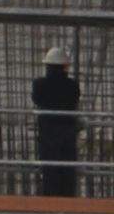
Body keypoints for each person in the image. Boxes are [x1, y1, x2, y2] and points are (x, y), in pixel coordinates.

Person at [36, 45, 84, 198]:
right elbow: (74, 99)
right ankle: (68, 207)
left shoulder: (39, 85)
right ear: (65, 66)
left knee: (50, 174)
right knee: (67, 174)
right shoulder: (72, 86)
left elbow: (36, 99)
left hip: (47, 136)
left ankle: (51, 208)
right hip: (67, 135)